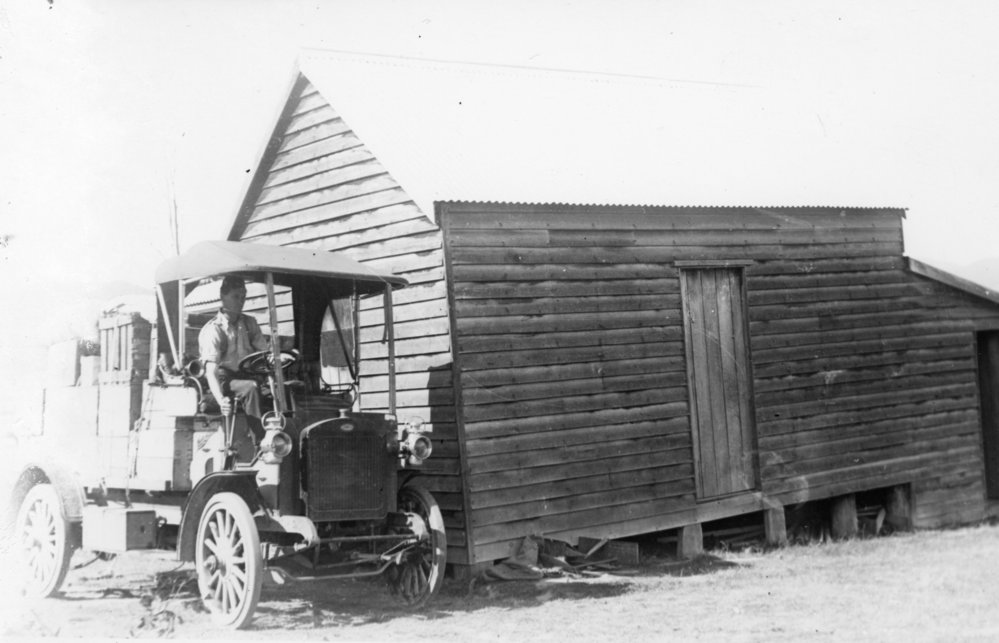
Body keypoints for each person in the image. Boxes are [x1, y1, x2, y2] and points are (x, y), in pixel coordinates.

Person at [198, 275, 269, 438]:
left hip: (247, 375)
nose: (241, 301)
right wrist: (221, 399)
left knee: (285, 388)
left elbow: (264, 355)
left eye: (243, 297)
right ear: (222, 296)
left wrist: (275, 361)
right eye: (236, 296)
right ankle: (261, 443)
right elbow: (211, 372)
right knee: (251, 388)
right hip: (225, 381)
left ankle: (288, 439)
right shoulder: (214, 330)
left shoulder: (250, 323)